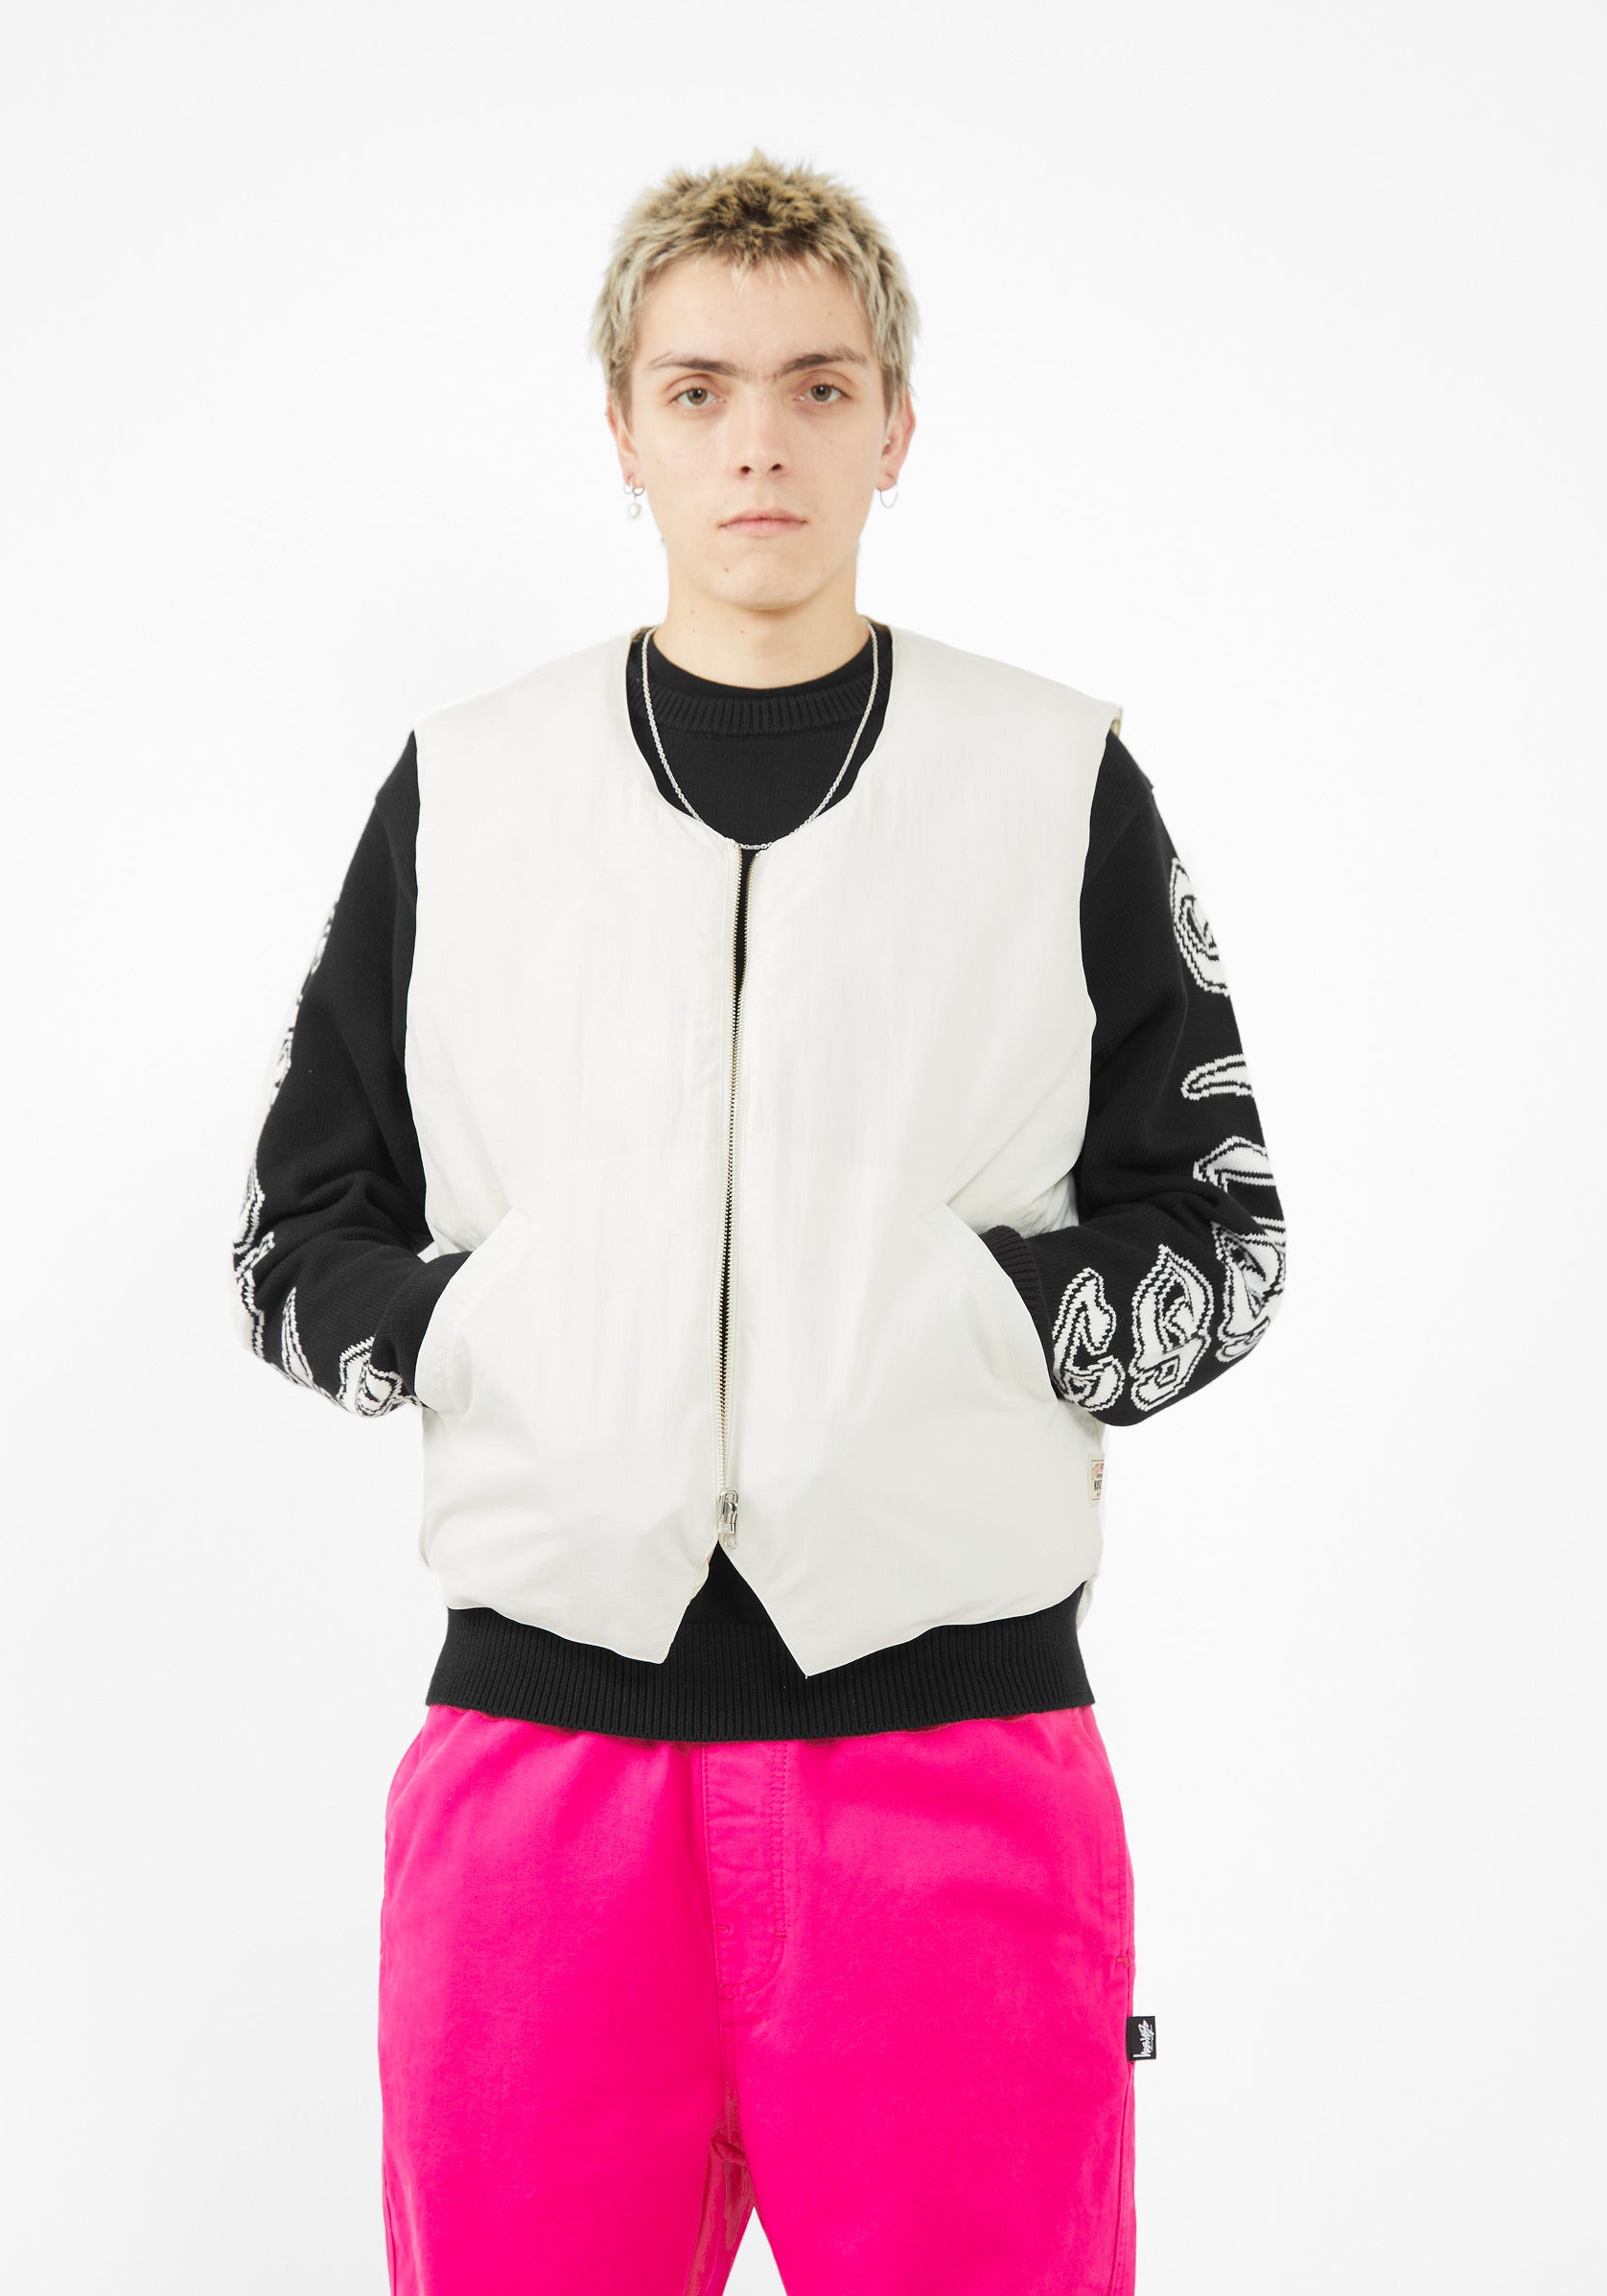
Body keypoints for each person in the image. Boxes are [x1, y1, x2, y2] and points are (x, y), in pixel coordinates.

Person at [230, 147, 1287, 2296]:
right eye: (697, 390)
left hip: (947, 1761)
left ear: (895, 427)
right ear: (620, 430)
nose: (757, 443)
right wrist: (489, 1331)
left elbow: (1224, 1234)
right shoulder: (467, 786)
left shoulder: (1051, 780)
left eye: (817, 387)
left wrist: (962, 1325)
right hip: (540, 1775)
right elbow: (292, 1229)